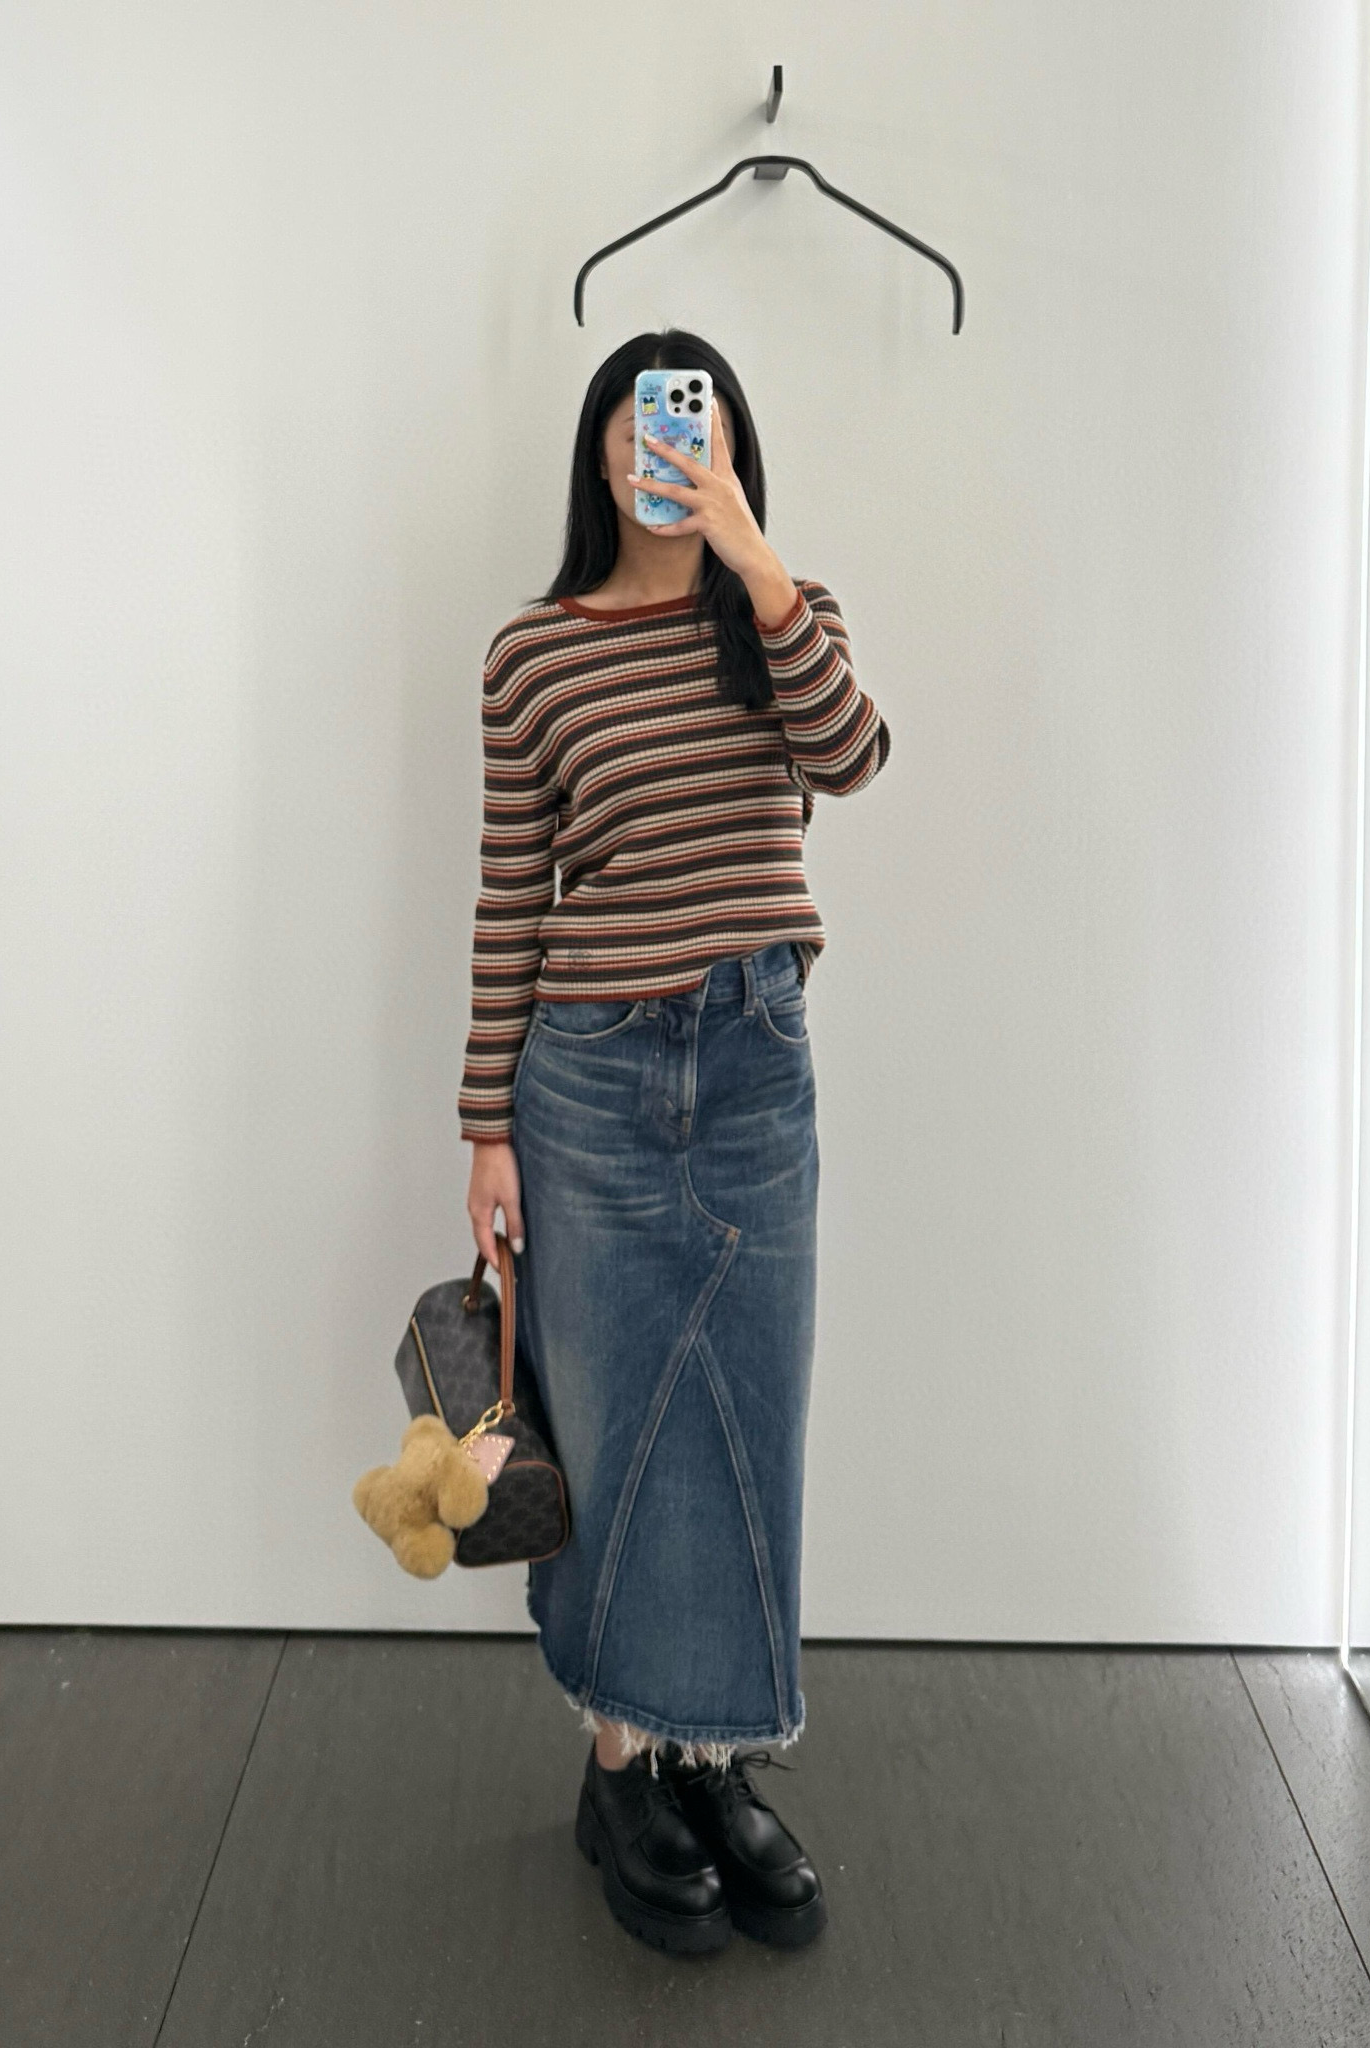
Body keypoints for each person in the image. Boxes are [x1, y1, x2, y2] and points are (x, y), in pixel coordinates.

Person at [457, 329, 891, 1956]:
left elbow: (853, 757)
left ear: (726, 450)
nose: (663, 453)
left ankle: (716, 1762)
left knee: (748, 1419)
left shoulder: (782, 616)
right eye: (639, 431)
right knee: (619, 1430)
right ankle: (622, 1769)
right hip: (586, 1081)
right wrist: (483, 1125)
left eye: (690, 430)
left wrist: (754, 561)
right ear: (599, 453)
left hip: (756, 1060)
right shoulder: (531, 656)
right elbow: (513, 894)